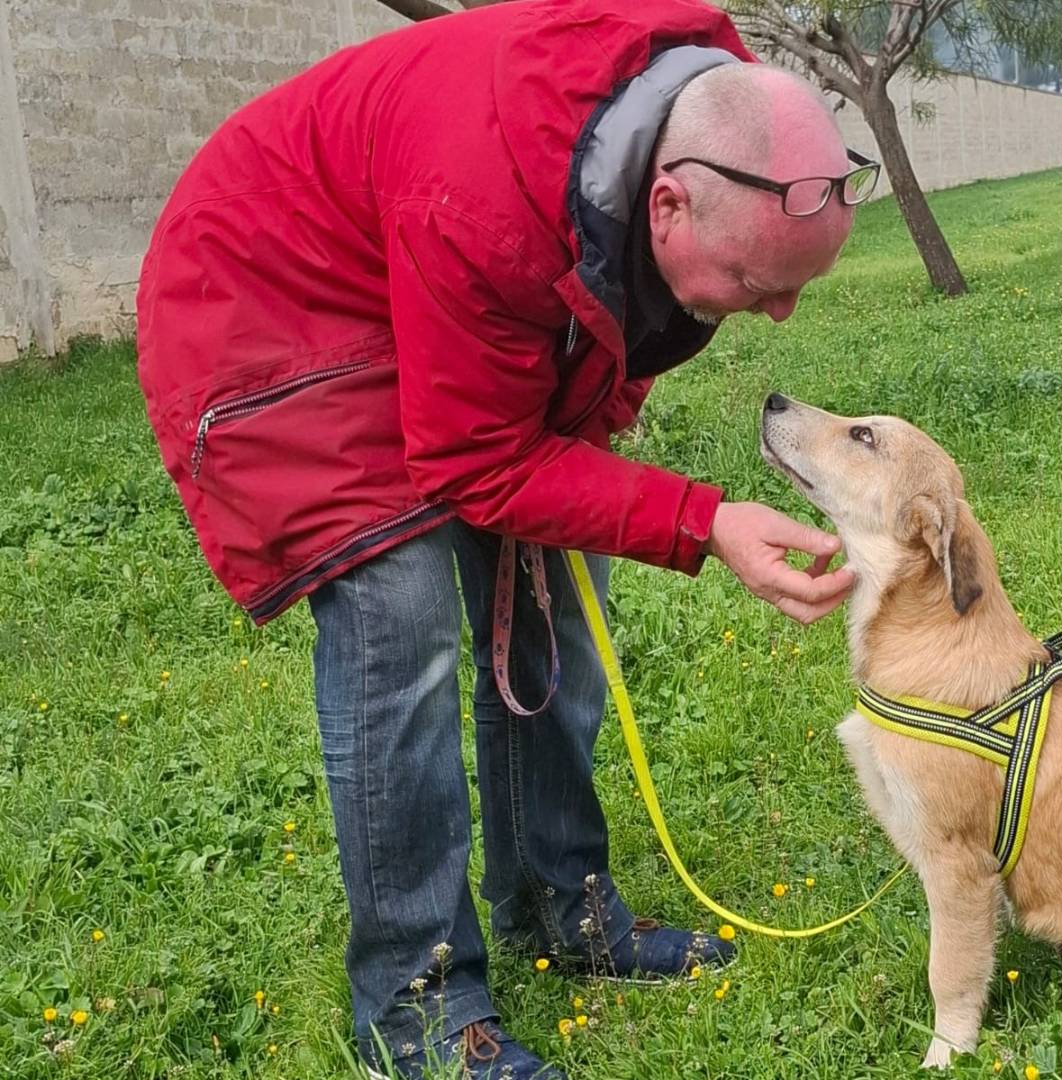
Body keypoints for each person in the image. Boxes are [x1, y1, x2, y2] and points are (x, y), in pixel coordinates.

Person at [136, 0, 879, 1075]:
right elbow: (475, 463)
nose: (778, 316)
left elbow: (613, 320)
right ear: (667, 202)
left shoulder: (700, 111)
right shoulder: (486, 207)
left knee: (561, 590)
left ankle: (553, 904)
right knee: (400, 616)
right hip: (267, 298)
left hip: (418, 263)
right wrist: (703, 520)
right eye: (760, 284)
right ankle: (413, 1006)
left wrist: (610, 436)